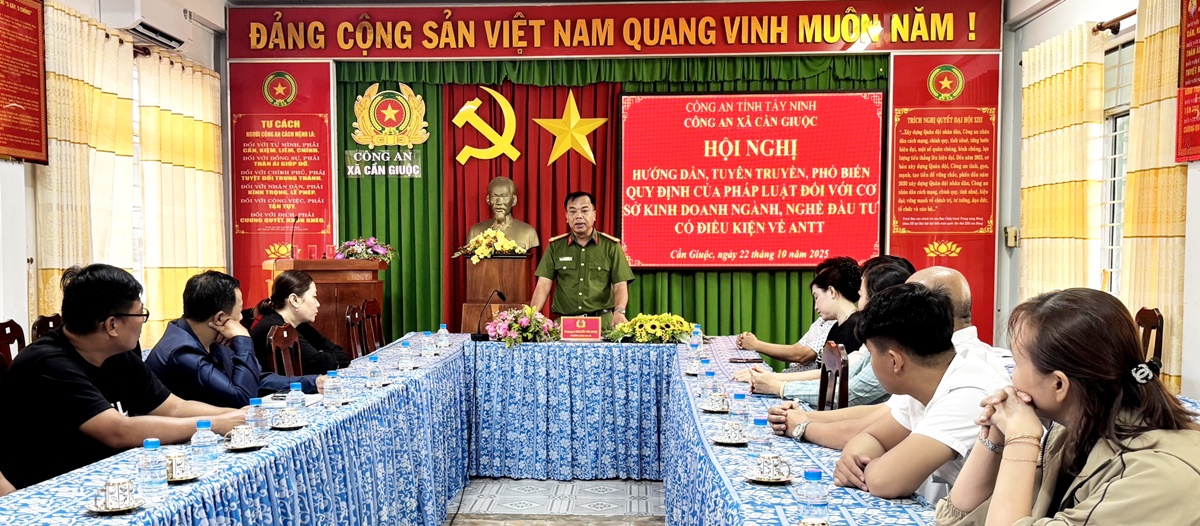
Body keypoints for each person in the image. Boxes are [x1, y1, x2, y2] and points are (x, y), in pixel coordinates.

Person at [936, 289, 1200, 525]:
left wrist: (1021, 440)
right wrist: (996, 436)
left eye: (1017, 363)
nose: (1010, 379)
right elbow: (954, 520)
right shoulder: (1073, 432)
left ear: (1059, 384)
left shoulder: (1155, 476)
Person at [0, 264, 245, 489]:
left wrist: (235, 415)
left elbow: (172, 407)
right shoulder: (48, 363)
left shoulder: (116, 353)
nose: (143, 322)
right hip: (48, 492)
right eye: (140, 314)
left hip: (103, 480)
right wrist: (212, 425)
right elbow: (119, 430)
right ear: (112, 325)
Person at [792, 283, 1008, 499]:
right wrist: (855, 459)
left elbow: (884, 481)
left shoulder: (968, 393)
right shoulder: (924, 377)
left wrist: (859, 468)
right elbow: (872, 437)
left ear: (895, 361)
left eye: (872, 355)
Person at [769, 266, 1013, 449]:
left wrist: (801, 423)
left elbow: (883, 470)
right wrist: (805, 417)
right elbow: (882, 417)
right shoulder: (944, 354)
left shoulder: (958, 369)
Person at [146, 271, 325, 408]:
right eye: (239, 312)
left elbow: (254, 379)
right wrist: (243, 340)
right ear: (219, 318)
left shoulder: (213, 338)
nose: (241, 319)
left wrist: (311, 382)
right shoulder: (182, 351)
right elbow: (243, 398)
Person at [742, 260, 912, 402]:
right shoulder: (839, 328)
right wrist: (776, 382)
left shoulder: (870, 336)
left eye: (861, 295)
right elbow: (839, 378)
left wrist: (779, 386)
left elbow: (849, 391)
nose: (815, 306)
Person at [736, 256, 862, 375]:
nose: (815, 307)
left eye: (816, 297)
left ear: (831, 291)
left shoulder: (855, 327)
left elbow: (816, 368)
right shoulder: (835, 326)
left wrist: (773, 379)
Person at [530, 191, 635, 328]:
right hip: (565, 325)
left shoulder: (611, 246)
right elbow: (543, 285)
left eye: (584, 211)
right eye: (573, 212)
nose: (578, 216)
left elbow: (620, 284)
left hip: (602, 324)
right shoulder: (556, 247)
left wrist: (619, 311)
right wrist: (531, 317)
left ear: (594, 215)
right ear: (567, 216)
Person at [249, 270, 351, 375]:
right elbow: (319, 364)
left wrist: (326, 357)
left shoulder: (299, 325)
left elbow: (340, 353)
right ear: (294, 300)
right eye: (314, 297)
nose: (318, 304)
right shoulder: (275, 328)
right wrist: (328, 357)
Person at [466, 176, 540, 250]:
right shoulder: (475, 232)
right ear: (488, 200)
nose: (499, 202)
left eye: (504, 197)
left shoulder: (528, 232)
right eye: (494, 197)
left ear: (514, 200)